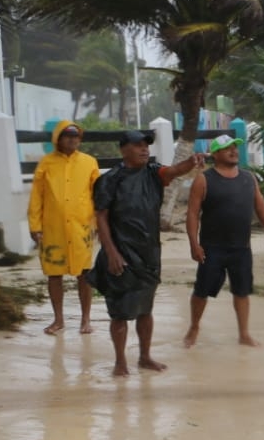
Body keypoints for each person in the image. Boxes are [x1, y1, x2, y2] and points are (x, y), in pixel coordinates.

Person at [87, 130, 204, 377]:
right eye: (138, 145)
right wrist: (111, 253)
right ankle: (120, 362)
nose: (144, 149)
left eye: (146, 145)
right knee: (119, 312)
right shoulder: (109, 180)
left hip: (149, 252)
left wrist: (191, 162)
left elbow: (173, 171)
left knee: (145, 309)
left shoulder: (153, 173)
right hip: (120, 252)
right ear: (123, 150)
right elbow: (101, 218)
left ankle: (144, 356)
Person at [183, 134, 264, 348]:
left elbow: (260, 205)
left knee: (242, 291)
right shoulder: (204, 179)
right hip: (212, 248)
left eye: (235, 148)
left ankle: (244, 334)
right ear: (215, 154)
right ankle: (194, 327)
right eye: (227, 149)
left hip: (241, 248)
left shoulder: (248, 178)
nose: (234, 151)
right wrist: (193, 244)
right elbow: (192, 213)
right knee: (202, 291)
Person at [28, 120, 101, 335]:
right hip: (53, 228)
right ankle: (58, 319)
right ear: (58, 139)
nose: (72, 139)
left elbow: (97, 193)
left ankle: (86, 319)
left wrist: (97, 222)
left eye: (76, 136)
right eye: (67, 136)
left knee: (85, 273)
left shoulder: (89, 162)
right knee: (54, 273)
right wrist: (35, 225)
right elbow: (36, 196)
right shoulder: (46, 163)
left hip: (82, 227)